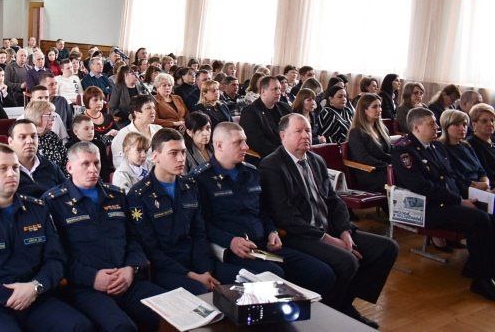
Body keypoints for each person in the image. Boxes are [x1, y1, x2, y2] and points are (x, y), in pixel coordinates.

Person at [260, 114, 398, 327]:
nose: (306, 135)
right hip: (301, 235)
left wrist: (344, 231)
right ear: (282, 136)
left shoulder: (316, 160)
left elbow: (334, 201)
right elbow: (285, 216)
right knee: (347, 261)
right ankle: (338, 309)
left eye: (308, 130)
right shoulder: (272, 165)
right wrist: (329, 240)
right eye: (299, 131)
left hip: (330, 228)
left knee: (386, 248)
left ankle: (344, 302)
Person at [0, 143, 94, 332]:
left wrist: (35, 287)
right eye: (3, 168)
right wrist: (8, 295)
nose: (11, 174)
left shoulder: (38, 209)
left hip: (38, 297)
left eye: (15, 168)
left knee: (79, 326)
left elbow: (56, 259)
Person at [192, 122, 335, 297]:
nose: (246, 147)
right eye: (238, 142)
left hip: (262, 246)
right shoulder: (200, 179)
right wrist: (230, 241)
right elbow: (199, 224)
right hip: (232, 250)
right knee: (275, 275)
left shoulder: (251, 172)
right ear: (219, 145)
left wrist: (272, 231)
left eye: (245, 141)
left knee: (322, 273)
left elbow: (262, 211)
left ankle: (314, 311)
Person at [43, 142, 165, 331]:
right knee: (122, 328)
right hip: (86, 287)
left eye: (97, 163)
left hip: (127, 280)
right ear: (69, 167)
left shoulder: (116, 195)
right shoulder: (53, 202)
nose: (93, 169)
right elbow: (55, 256)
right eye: (85, 164)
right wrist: (92, 278)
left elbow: (133, 239)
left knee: (173, 311)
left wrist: (131, 268)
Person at [393, 107, 495, 300]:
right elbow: (422, 187)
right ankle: (481, 281)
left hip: (450, 201)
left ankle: (478, 268)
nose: (436, 127)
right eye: (431, 124)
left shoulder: (435, 146)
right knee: (480, 219)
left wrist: (473, 194)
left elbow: (451, 177)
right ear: (417, 127)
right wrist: (460, 201)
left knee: (491, 213)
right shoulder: (404, 150)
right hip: (428, 208)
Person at [127, 129, 227, 295]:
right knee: (201, 291)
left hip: (197, 260)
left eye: (183, 152)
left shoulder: (190, 185)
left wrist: (205, 270)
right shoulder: (139, 195)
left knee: (241, 277)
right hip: (165, 268)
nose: (181, 158)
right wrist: (192, 275)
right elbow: (150, 248)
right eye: (173, 153)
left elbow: (199, 233)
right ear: (155, 156)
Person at [435, 109, 490, 195]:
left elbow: (480, 169)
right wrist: (477, 186)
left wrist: (486, 183)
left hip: (481, 187)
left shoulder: (466, 145)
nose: (462, 128)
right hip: (463, 190)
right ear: (446, 126)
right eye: (457, 124)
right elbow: (454, 175)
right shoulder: (440, 147)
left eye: (464, 124)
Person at [346, 94, 392, 192]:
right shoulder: (356, 132)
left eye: (380, 106)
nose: (379, 109)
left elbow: (390, 150)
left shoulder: (383, 129)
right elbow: (363, 158)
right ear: (364, 110)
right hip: (369, 173)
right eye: (375, 107)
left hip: (385, 169)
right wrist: (387, 165)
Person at [240, 75, 292, 160]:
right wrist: (283, 153)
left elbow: (293, 130)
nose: (279, 92)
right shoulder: (250, 112)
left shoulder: (285, 107)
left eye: (279, 88)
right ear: (263, 91)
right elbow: (257, 142)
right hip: (268, 156)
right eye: (275, 89)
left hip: (288, 151)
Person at [111, 95, 162, 170]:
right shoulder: (123, 135)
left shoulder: (159, 129)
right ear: (136, 113)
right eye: (148, 108)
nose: (153, 111)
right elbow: (119, 164)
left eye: (153, 108)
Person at [24, 100, 68, 171]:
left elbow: (66, 161)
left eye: (52, 115)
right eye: (49, 115)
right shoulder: (27, 140)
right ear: (37, 117)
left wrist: (65, 178)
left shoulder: (53, 136)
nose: (53, 118)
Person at [468, 103, 495, 183]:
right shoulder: (471, 144)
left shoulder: (493, 140)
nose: (490, 124)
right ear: (474, 124)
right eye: (484, 121)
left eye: (492, 120)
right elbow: (485, 172)